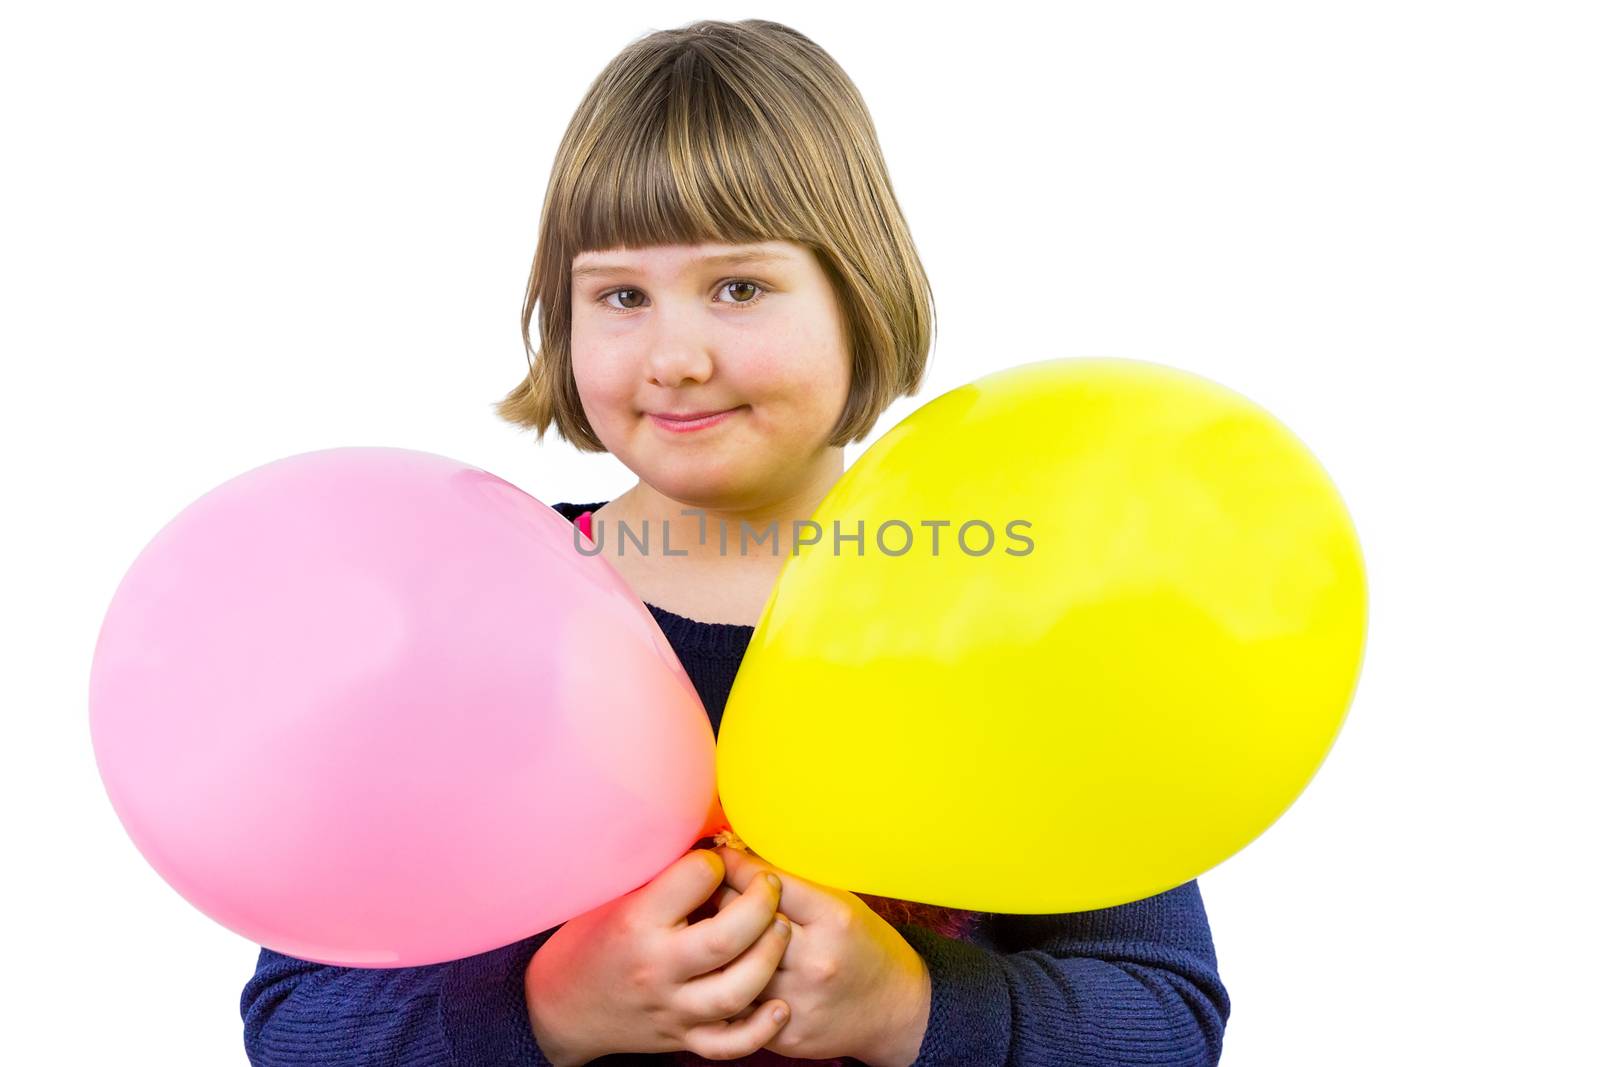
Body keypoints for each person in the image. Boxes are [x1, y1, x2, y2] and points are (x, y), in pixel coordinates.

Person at [241, 18, 1229, 1067]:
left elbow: (1165, 1014)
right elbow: (298, 1020)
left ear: (855, 294)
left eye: (738, 287)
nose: (674, 355)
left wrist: (911, 1006)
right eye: (620, 295)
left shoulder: (1008, 618)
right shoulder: (468, 615)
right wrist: (546, 1009)